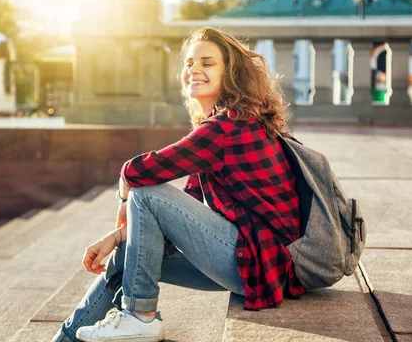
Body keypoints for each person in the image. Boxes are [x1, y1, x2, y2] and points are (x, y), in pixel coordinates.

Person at [52, 27, 304, 342]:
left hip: (258, 261)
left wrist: (123, 200)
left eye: (207, 63)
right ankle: (65, 340)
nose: (193, 70)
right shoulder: (227, 122)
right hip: (255, 261)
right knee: (124, 257)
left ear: (231, 73)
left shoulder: (228, 126)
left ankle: (140, 316)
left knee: (146, 191)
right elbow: (185, 206)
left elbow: (138, 173)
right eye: (189, 63)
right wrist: (118, 236)